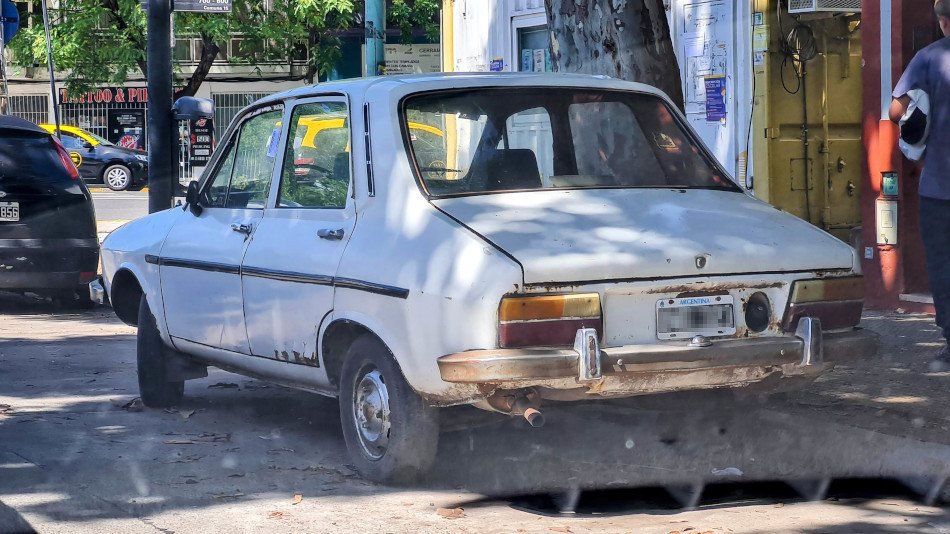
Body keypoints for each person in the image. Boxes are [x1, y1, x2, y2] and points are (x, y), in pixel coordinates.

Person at [889, 0, 950, 370]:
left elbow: (895, 110)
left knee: (943, 264)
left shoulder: (928, 58)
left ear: (942, 20)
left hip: (939, 187)